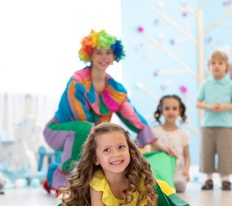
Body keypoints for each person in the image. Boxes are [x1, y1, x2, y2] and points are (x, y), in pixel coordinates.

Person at [43, 29, 174, 192]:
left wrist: (157, 143)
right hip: (58, 131)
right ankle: (63, 181)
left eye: (109, 53)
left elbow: (132, 116)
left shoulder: (114, 89)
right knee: (88, 132)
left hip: (88, 135)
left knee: (107, 139)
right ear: (89, 54)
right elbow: (82, 121)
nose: (104, 57)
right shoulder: (77, 83)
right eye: (99, 52)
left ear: (114, 57)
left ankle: (53, 175)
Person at [33, 123, 194, 206]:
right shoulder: (98, 182)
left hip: (160, 183)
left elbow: (154, 198)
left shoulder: (138, 175)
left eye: (121, 147)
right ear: (95, 158)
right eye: (107, 150)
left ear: (129, 149)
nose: (116, 154)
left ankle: (166, 159)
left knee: (167, 184)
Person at [196, 50, 232, 191]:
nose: (216, 66)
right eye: (213, 63)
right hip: (208, 124)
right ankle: (208, 179)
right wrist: (209, 106)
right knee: (207, 153)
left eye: (220, 63)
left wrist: (225, 107)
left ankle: (225, 180)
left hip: (226, 125)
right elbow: (198, 103)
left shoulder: (230, 84)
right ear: (209, 66)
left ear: (226, 66)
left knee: (226, 153)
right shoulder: (206, 84)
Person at [151, 95, 191, 192]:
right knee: (155, 186)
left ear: (179, 111)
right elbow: (153, 155)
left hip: (176, 169)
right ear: (161, 111)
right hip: (160, 170)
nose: (171, 111)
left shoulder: (183, 134)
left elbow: (186, 156)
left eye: (174, 108)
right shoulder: (155, 132)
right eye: (167, 108)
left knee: (180, 186)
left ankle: (169, 185)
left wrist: (186, 170)